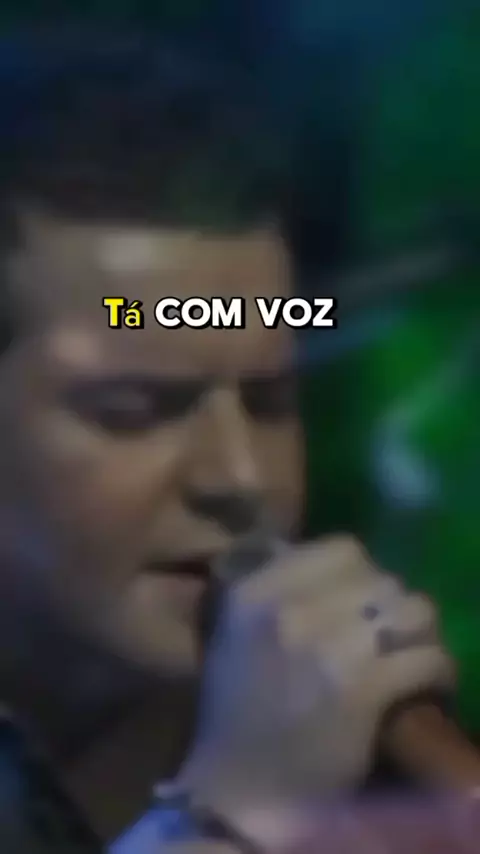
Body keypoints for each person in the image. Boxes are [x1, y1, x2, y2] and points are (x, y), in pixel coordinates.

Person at [0, 42, 455, 850]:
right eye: (136, 409)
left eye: (271, 402)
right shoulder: (266, 773)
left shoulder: (343, 760)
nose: (243, 477)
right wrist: (231, 813)